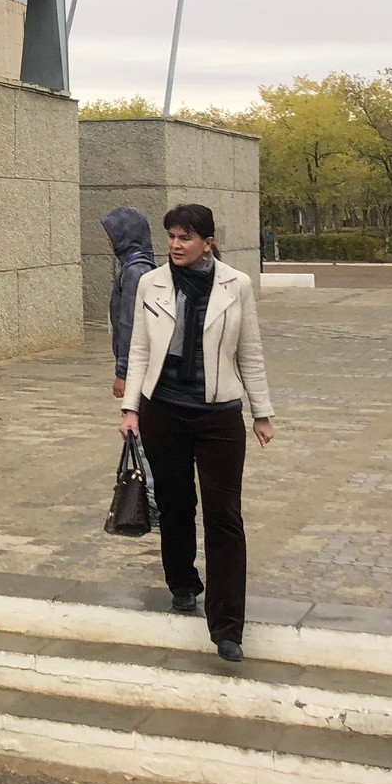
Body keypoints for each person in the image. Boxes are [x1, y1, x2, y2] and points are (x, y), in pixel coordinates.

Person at [118, 203, 275, 663]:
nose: (175, 245)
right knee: (175, 502)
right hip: (162, 409)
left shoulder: (236, 285)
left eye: (185, 237)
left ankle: (228, 626)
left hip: (219, 415)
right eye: (171, 236)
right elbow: (140, 348)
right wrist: (131, 409)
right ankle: (183, 583)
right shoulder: (152, 283)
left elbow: (251, 350)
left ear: (208, 241)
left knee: (225, 515)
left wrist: (261, 412)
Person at [102, 207, 157, 402]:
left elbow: (129, 323)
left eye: (112, 235)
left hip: (139, 367)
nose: (108, 240)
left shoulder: (135, 272)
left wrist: (122, 373)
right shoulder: (140, 266)